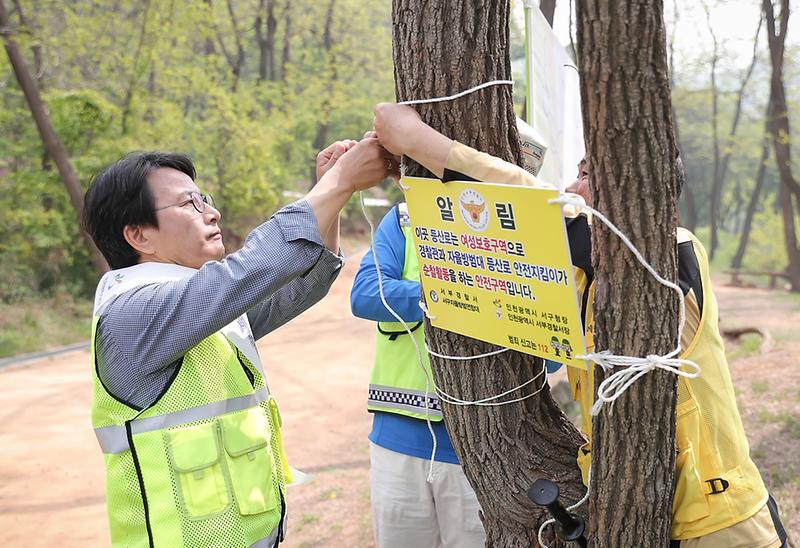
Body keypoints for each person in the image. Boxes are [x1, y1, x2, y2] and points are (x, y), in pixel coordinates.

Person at [371, 103, 787, 548]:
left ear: (636, 193)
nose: (570, 186)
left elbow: (538, 211)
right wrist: (418, 182)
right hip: (645, 515)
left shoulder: (668, 252)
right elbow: (505, 251)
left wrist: (421, 143)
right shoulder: (586, 275)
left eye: (586, 177)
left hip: (721, 522)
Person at [83, 137, 391, 547]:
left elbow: (297, 288)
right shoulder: (134, 314)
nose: (212, 212)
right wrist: (336, 183)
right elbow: (247, 271)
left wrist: (332, 195)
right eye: (189, 204)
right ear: (139, 235)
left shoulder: (194, 308)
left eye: (204, 198)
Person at [350, 114, 556, 548]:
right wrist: (455, 289)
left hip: (485, 448)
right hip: (397, 440)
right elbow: (366, 294)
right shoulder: (405, 220)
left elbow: (552, 353)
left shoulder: (538, 239)